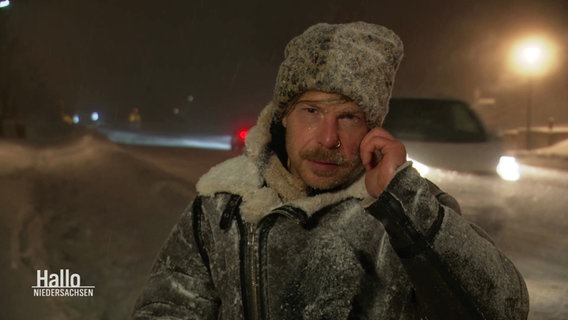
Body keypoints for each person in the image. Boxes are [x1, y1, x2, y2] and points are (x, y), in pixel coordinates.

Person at [132, 22, 529, 319]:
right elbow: (168, 308)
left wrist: (405, 201)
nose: (328, 138)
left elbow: (503, 309)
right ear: (284, 116)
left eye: (349, 116)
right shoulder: (222, 208)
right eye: (312, 111)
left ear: (372, 128)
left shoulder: (402, 209)